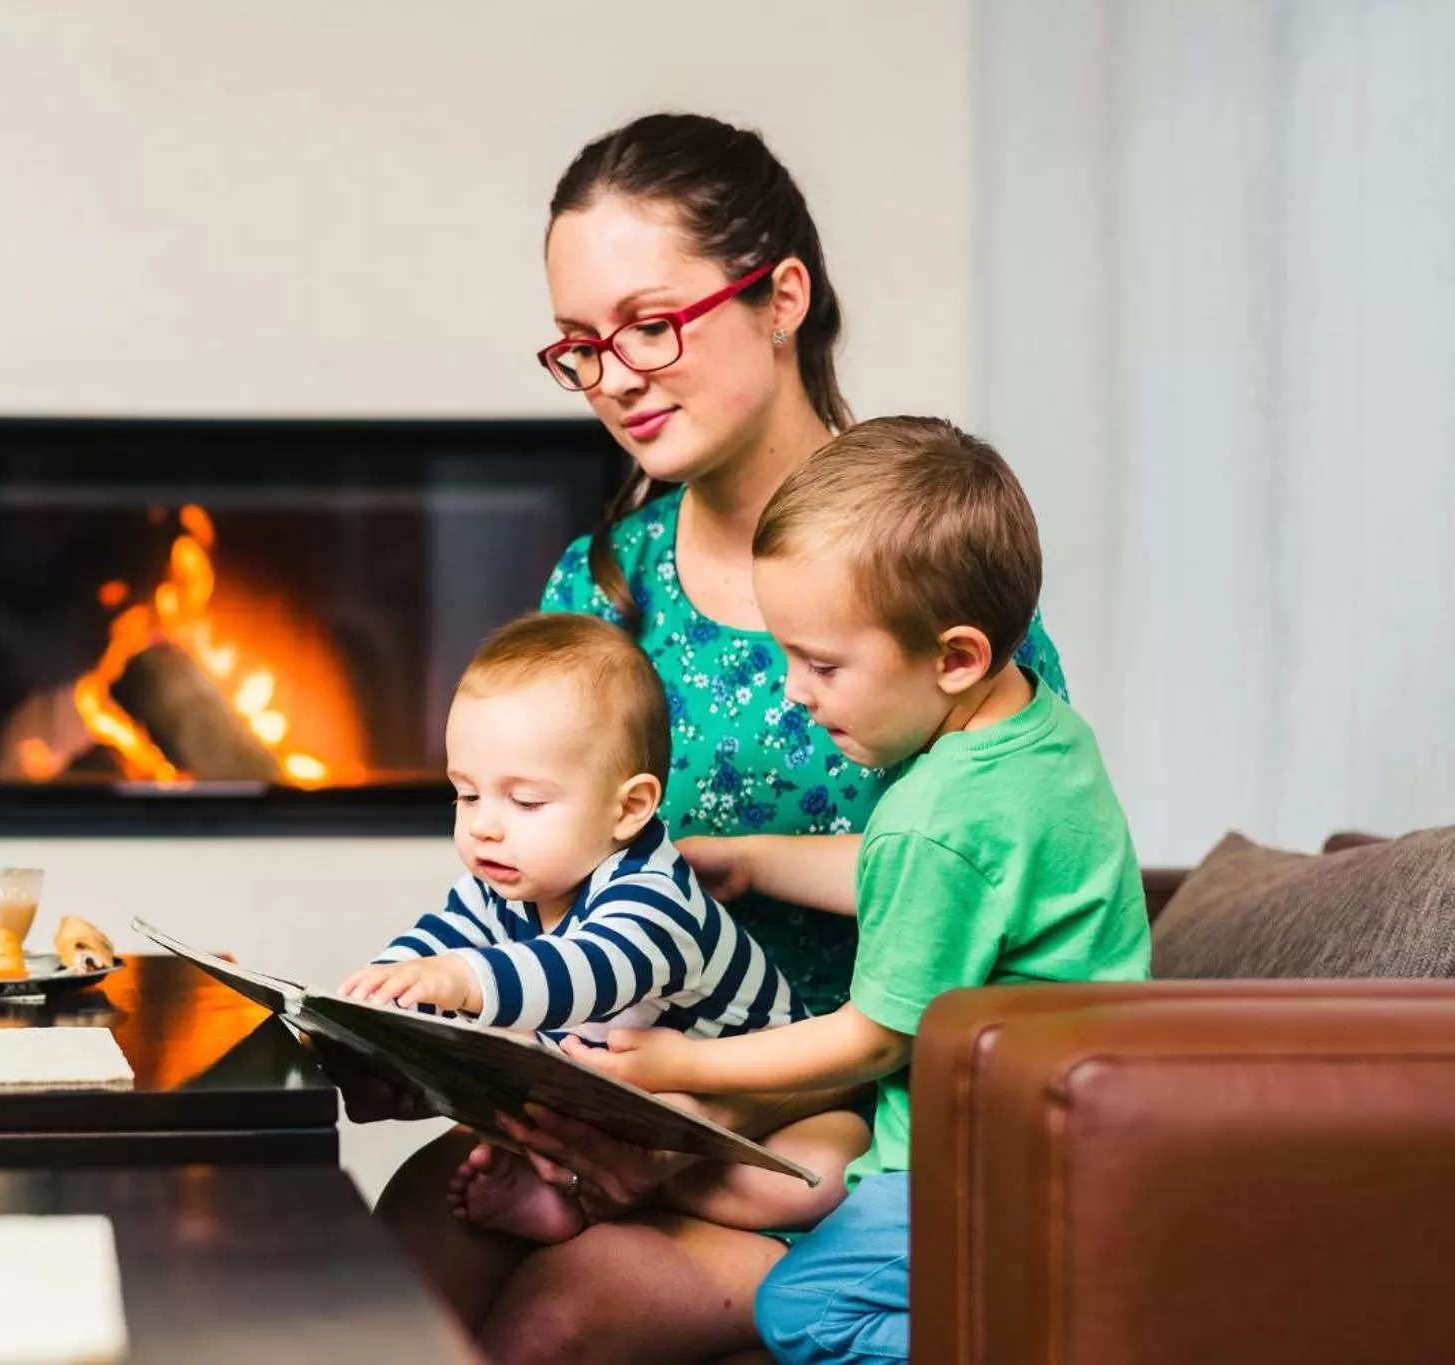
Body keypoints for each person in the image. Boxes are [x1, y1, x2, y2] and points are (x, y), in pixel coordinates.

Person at [368, 111, 1068, 1365]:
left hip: (839, 1143)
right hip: (625, 1083)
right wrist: (427, 1039)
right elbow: (534, 875)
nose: (616, 377)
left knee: (565, 1315)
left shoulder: (922, 573)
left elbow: (1007, 906)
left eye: (650, 324)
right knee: (398, 1236)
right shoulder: (601, 584)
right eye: (578, 347)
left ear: (781, 295)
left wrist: (675, 1126)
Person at [567, 416, 1153, 1363]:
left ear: (953, 657)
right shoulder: (1033, 739)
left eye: (824, 664)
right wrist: (756, 858)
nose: (796, 691)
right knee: (774, 1177)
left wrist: (671, 1063)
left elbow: (874, 1034)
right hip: (1072, 1130)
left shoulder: (940, 814)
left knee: (803, 1306)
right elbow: (926, 874)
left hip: (983, 1163)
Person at [338, 612, 854, 1245]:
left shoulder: (655, 897)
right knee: (527, 1126)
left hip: (770, 1104)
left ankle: (646, 1193)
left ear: (629, 808)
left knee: (817, 1173)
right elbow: (436, 942)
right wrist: (379, 999)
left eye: (524, 802)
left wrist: (459, 980)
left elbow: (587, 970)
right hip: (631, 1106)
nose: (483, 827)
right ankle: (570, 1197)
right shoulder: (506, 884)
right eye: (466, 795)